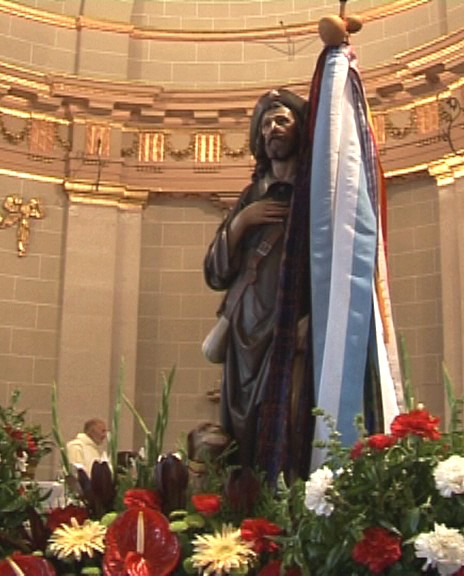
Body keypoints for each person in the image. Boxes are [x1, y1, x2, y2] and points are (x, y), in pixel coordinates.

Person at [204, 88, 314, 484]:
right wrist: (241, 223)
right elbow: (215, 272)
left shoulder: (313, 194)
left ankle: (284, 502)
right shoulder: (251, 197)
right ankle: (244, 503)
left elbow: (331, 261)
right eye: (266, 124)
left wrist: (314, 319)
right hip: (245, 330)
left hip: (289, 328)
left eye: (282, 120)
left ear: (300, 129)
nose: (272, 129)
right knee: (240, 427)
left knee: (287, 417)